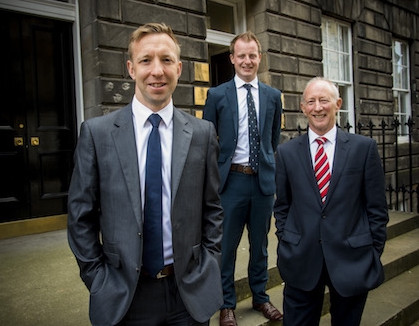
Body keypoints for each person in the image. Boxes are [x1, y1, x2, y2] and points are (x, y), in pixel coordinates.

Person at [67, 23, 223, 326]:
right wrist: (97, 278)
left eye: (166, 60)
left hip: (188, 293)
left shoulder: (202, 134)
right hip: (124, 295)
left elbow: (213, 209)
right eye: (145, 60)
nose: (157, 71)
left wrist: (209, 265)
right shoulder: (97, 134)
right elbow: (80, 216)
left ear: (178, 68)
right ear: (130, 68)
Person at [273, 76, 389, 326]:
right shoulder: (286, 153)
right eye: (311, 102)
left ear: (337, 104)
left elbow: (376, 208)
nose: (317, 107)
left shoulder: (363, 148)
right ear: (303, 108)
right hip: (301, 260)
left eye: (323, 100)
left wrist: (372, 251)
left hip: (352, 261)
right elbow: (283, 206)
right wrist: (286, 242)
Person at [203, 31, 283, 326]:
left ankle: (260, 297)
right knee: (226, 248)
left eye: (253, 55)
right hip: (230, 183)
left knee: (261, 245)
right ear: (232, 59)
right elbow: (206, 140)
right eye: (242, 55)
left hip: (262, 182)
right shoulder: (217, 95)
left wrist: (267, 167)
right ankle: (226, 304)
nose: (247, 61)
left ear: (259, 58)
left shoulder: (273, 96)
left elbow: (272, 139)